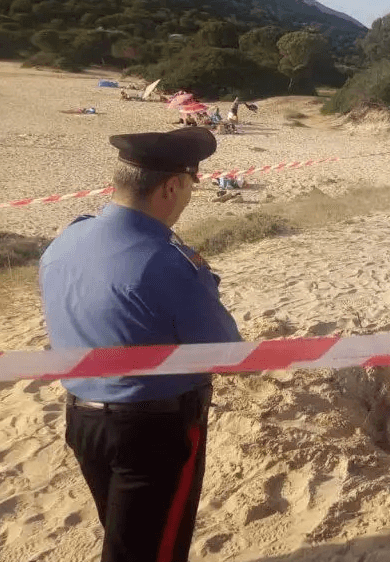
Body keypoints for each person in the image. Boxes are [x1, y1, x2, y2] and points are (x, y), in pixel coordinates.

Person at [39, 127, 243, 562]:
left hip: (82, 420)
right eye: (189, 187)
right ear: (171, 186)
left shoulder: (65, 241)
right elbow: (227, 351)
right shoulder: (165, 261)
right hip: (154, 433)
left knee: (125, 541)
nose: (187, 199)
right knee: (154, 551)